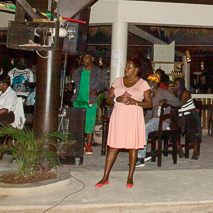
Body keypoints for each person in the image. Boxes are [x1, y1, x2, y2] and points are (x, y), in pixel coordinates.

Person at [96, 60, 152, 188]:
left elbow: (149, 104)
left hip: (134, 117)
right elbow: (108, 99)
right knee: (113, 146)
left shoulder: (143, 84)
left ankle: (130, 177)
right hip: (119, 116)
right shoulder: (118, 81)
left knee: (133, 146)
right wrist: (117, 99)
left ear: (136, 70)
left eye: (129, 67)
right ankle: (105, 177)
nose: (126, 69)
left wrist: (135, 102)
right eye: (126, 67)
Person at [137, 71, 180, 166]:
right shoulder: (149, 95)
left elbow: (178, 103)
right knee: (139, 128)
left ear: (155, 84)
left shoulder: (163, 92)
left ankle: (140, 158)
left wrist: (166, 101)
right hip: (153, 121)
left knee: (144, 129)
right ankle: (139, 155)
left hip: (162, 122)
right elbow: (149, 113)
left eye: (150, 83)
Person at [70, 53, 108, 153]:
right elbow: (74, 82)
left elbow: (103, 85)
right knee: (78, 123)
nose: (84, 60)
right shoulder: (79, 70)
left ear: (92, 59)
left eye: (87, 58)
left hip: (90, 100)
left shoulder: (97, 71)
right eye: (84, 58)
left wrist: (96, 90)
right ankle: (79, 143)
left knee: (89, 123)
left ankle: (88, 144)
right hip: (78, 100)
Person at [171, 78, 202, 159]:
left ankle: (196, 150)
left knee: (191, 128)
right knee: (170, 128)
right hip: (179, 116)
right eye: (175, 83)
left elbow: (179, 104)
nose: (175, 85)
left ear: (181, 84)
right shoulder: (174, 93)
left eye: (177, 84)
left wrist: (171, 93)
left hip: (190, 114)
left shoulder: (186, 93)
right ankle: (178, 148)